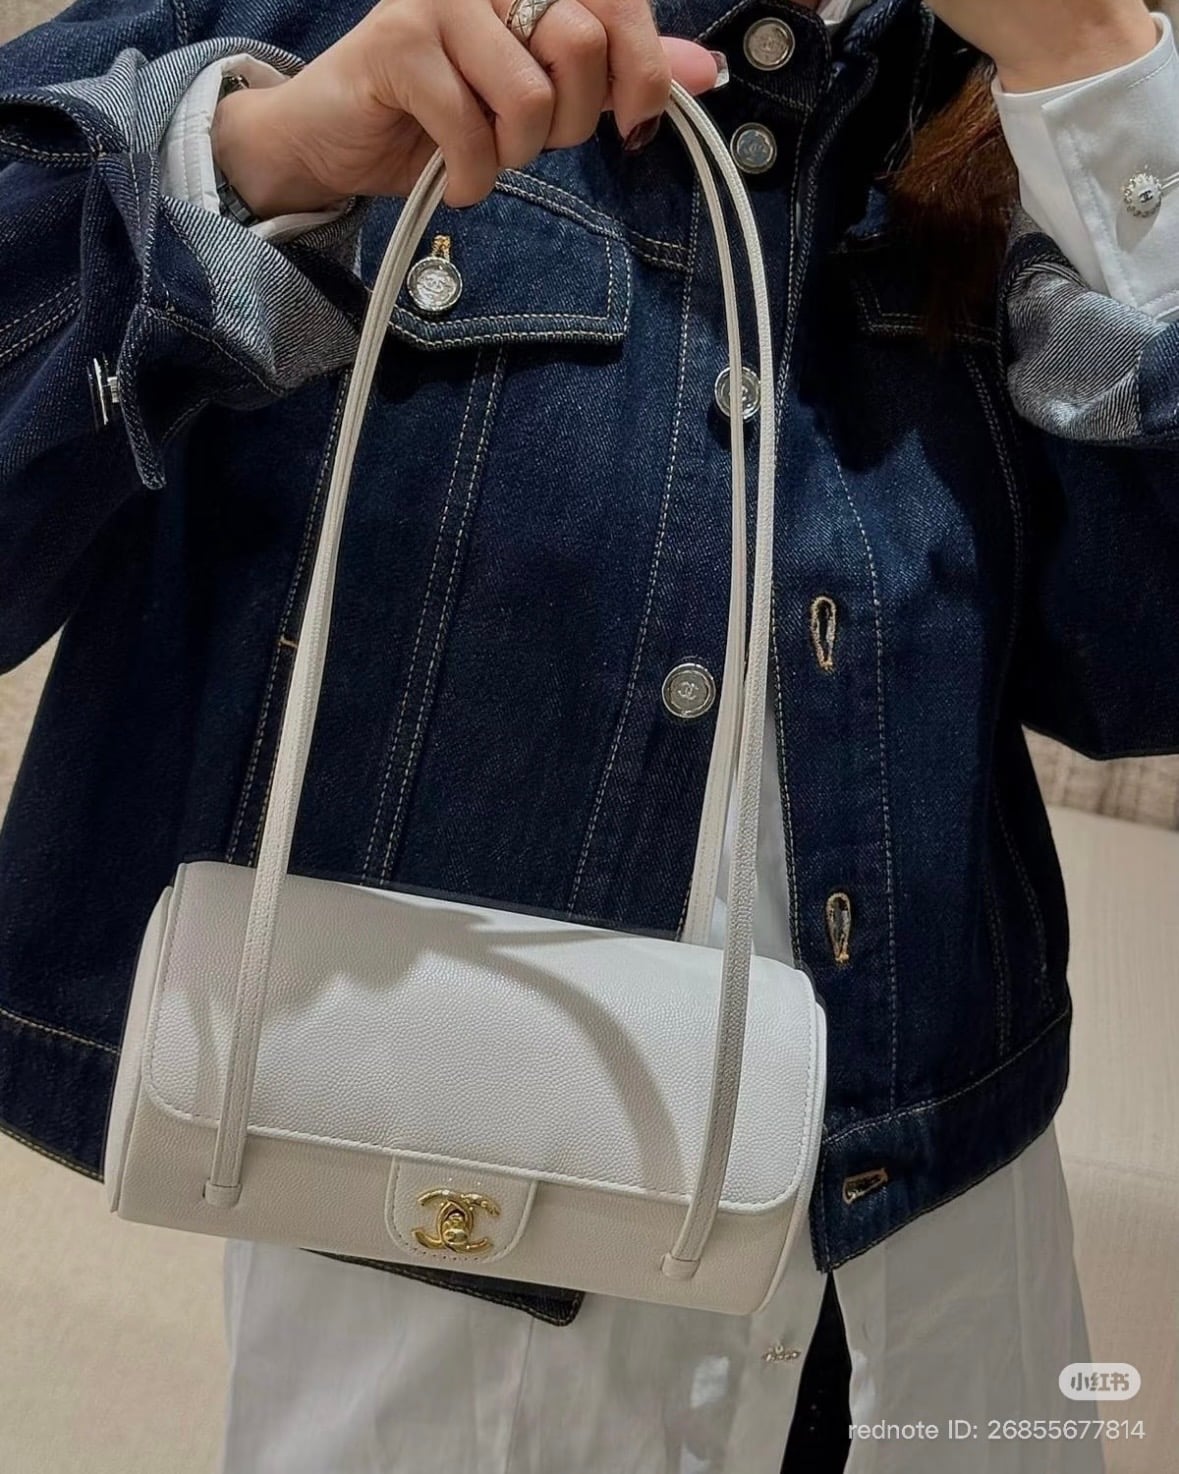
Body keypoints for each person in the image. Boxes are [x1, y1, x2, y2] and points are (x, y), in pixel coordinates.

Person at [0, 0, 1176, 1469]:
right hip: (449, 1282)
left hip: (949, 1270)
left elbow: (1136, 676)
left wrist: (1095, 75)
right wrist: (259, 156)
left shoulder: (1005, 92)